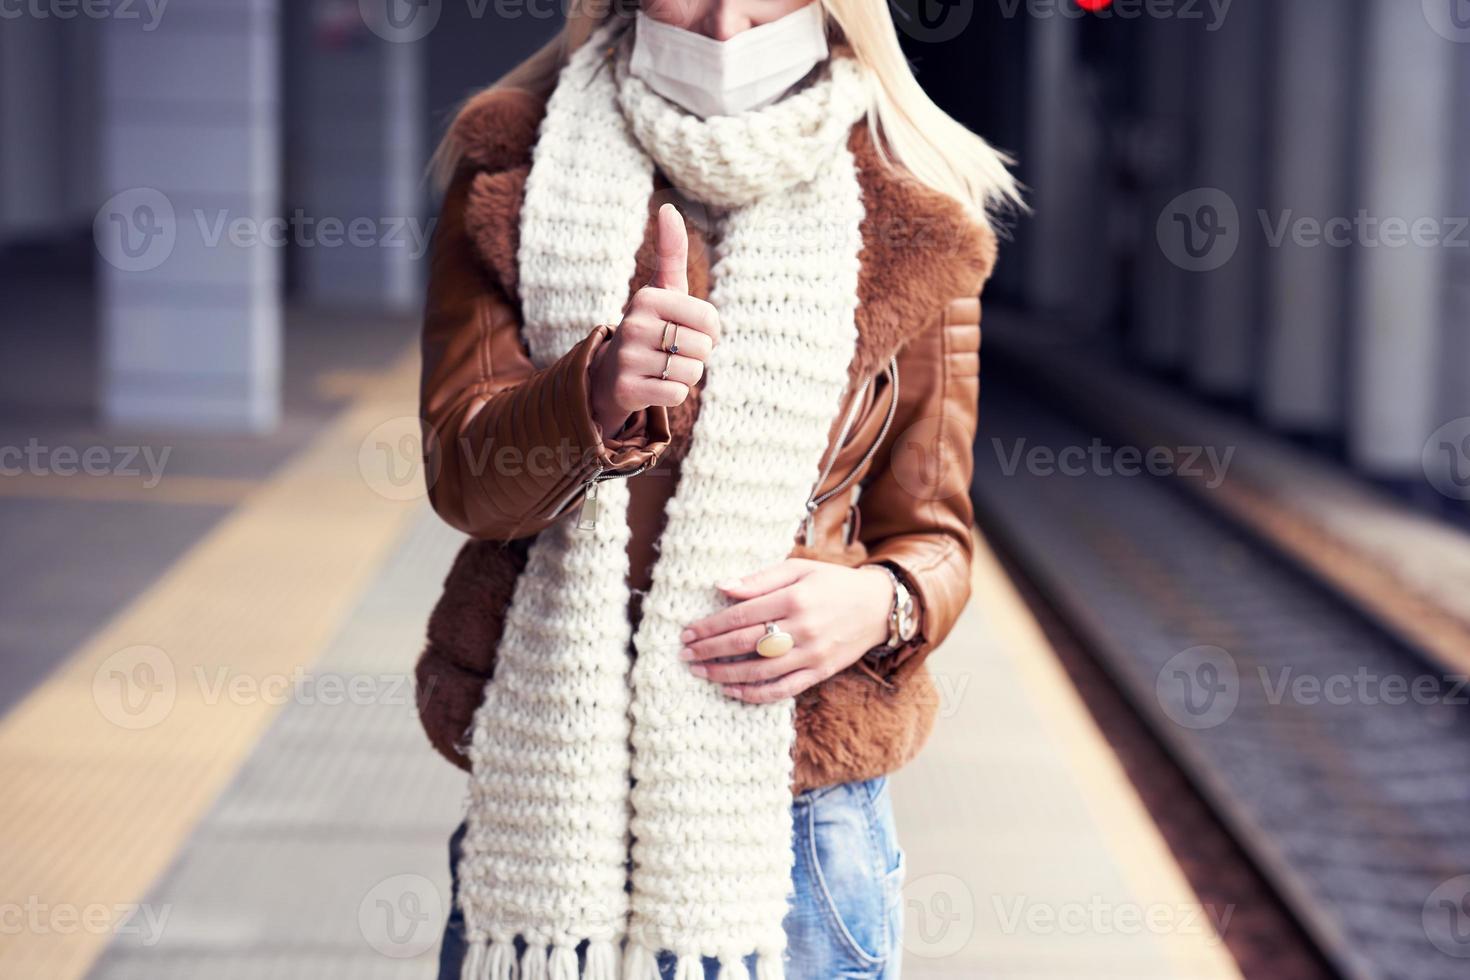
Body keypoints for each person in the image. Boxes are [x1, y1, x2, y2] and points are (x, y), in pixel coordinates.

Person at [415, 1, 1018, 977]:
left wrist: (877, 602)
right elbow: (462, 475)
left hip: (798, 822)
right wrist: (597, 396)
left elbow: (935, 534)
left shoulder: (916, 193)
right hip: (549, 813)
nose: (729, 19)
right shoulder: (509, 159)